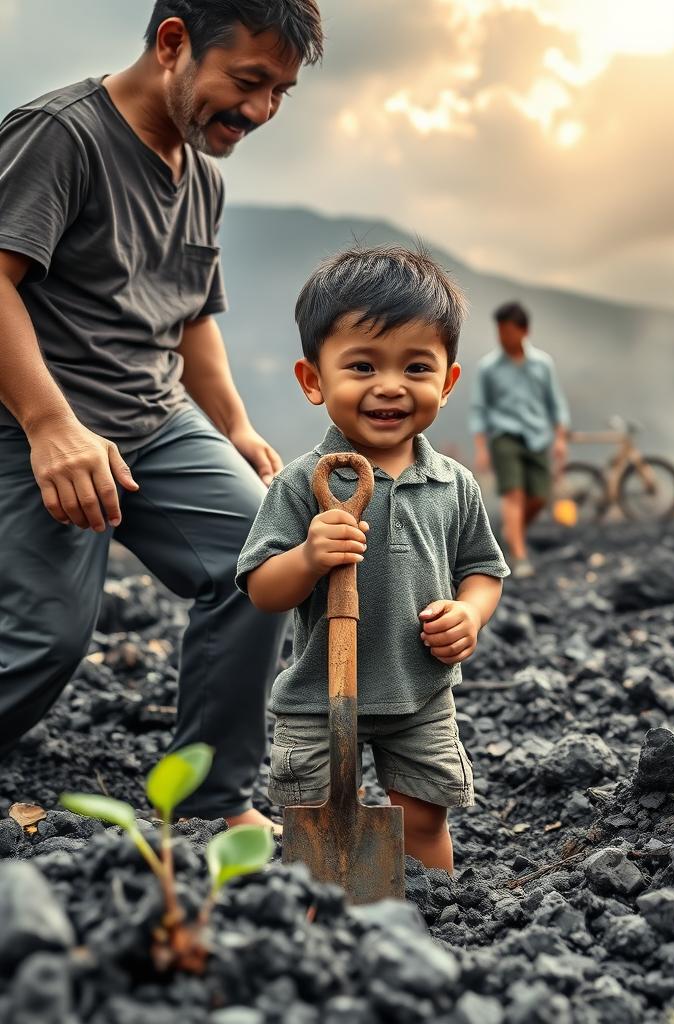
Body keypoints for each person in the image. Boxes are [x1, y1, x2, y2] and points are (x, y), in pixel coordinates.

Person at [0, 0, 324, 827]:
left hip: (155, 420)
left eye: (280, 93)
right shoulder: (60, 136)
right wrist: (49, 426)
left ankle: (212, 799)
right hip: (38, 421)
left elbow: (192, 321)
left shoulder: (201, 178)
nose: (260, 111)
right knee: (42, 643)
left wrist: (237, 426)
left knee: (264, 563)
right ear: (174, 42)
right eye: (249, 81)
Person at [237, 247, 509, 872]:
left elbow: (483, 571)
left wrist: (469, 614)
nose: (390, 386)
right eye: (362, 365)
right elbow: (262, 590)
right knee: (317, 824)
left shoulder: (453, 484)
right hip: (316, 698)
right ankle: (321, 922)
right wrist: (308, 557)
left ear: (446, 381)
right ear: (313, 380)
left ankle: (440, 917)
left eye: (416, 367)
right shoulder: (304, 482)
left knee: (423, 816)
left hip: (418, 693)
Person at [470, 301, 570, 578]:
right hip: (505, 436)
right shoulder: (489, 368)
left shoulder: (542, 364)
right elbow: (479, 408)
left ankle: (512, 533)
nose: (503, 337)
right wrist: (481, 447)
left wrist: (560, 438)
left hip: (538, 437)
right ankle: (519, 554)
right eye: (500, 332)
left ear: (524, 331)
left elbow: (556, 403)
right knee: (514, 494)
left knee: (539, 496)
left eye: (508, 332)